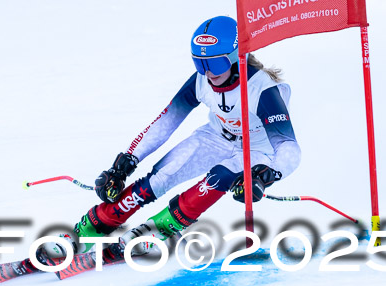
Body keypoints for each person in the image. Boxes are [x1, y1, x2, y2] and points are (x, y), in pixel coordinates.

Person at [43, 15, 301, 259]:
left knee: (218, 177)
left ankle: (158, 229)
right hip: (217, 137)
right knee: (162, 175)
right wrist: (127, 161)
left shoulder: (262, 88)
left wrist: (266, 175)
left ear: (236, 57)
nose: (209, 72)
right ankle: (88, 229)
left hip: (258, 150)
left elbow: (289, 148)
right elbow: (167, 121)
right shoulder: (201, 80)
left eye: (215, 63)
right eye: (200, 64)